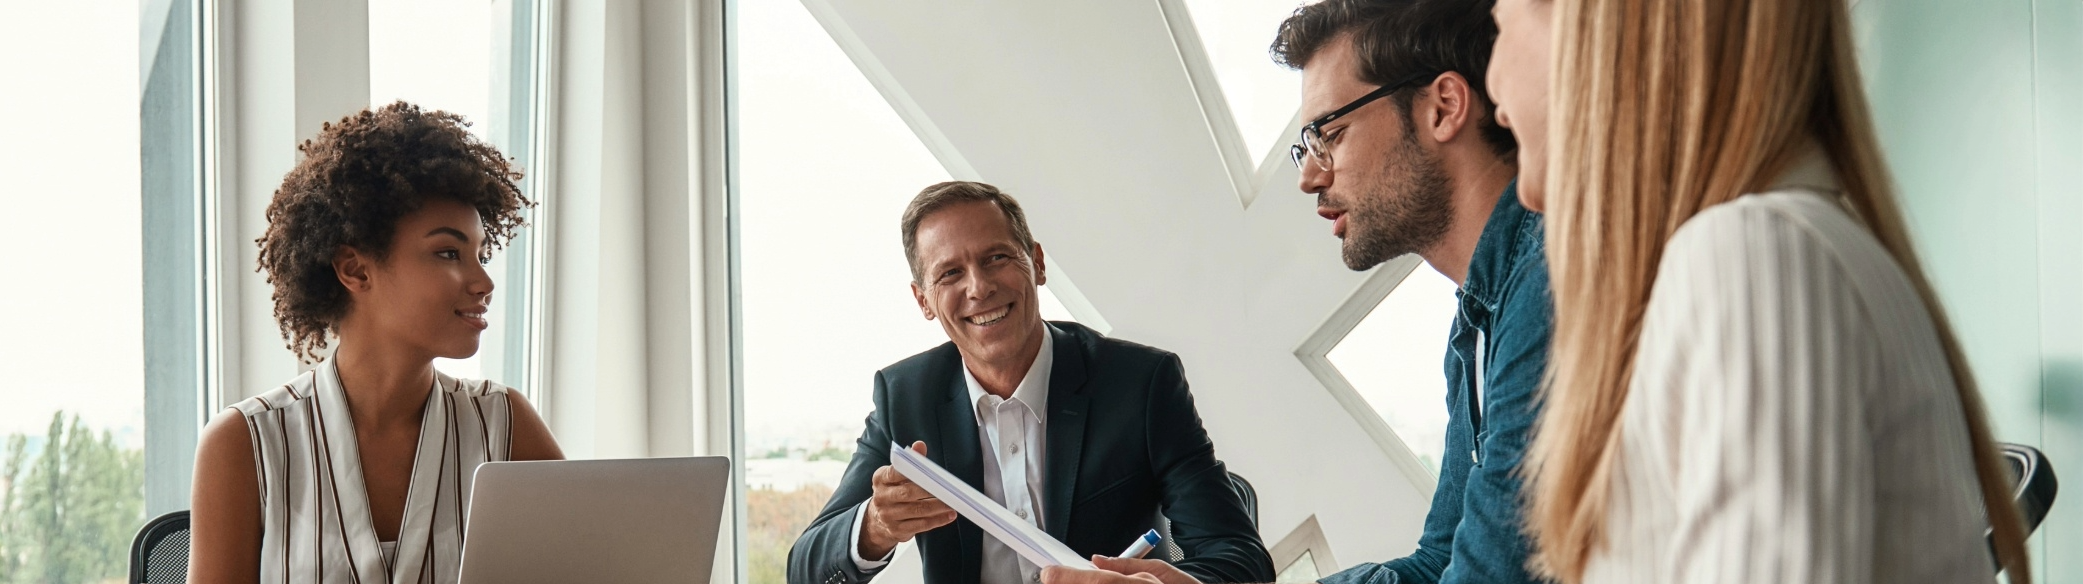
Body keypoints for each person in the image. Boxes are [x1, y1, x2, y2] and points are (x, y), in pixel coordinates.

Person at [1484, 0, 2034, 582]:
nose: (1492, 79)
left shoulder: (1748, 259)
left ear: (1603, 27)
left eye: (1500, 22)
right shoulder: (1770, 253)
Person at [1043, 1, 1552, 584]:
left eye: (1329, 134)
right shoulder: (1477, 324)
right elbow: (1438, 560)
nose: (1310, 176)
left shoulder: (1547, 283)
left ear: (1443, 107)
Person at [787, 181, 1274, 584]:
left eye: (997, 258)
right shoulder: (905, 397)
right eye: (951, 273)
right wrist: (873, 526)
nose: (979, 287)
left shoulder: (1141, 384)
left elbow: (1241, 559)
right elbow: (804, 567)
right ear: (924, 301)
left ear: (1037, 263)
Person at [188, 102, 565, 584]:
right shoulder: (245, 443)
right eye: (449, 252)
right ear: (356, 269)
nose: (483, 281)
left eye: (480, 253)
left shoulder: (507, 426)